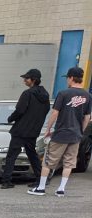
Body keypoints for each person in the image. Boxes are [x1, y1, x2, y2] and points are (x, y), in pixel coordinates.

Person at [28, 66, 91, 197]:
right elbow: (87, 117)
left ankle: (41, 188)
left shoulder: (63, 93)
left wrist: (48, 129)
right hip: (75, 135)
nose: (67, 80)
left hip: (61, 133)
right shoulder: (88, 95)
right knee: (69, 163)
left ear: (71, 78)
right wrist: (81, 131)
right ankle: (61, 189)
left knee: (48, 161)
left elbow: (55, 113)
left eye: (67, 78)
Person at [0, 68, 49, 189]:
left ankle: (6, 181)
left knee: (11, 155)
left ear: (33, 80)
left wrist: (10, 118)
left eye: (26, 78)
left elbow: (20, 110)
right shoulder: (45, 95)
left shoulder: (27, 93)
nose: (24, 81)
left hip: (21, 130)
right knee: (32, 154)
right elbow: (46, 110)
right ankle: (40, 179)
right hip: (33, 130)